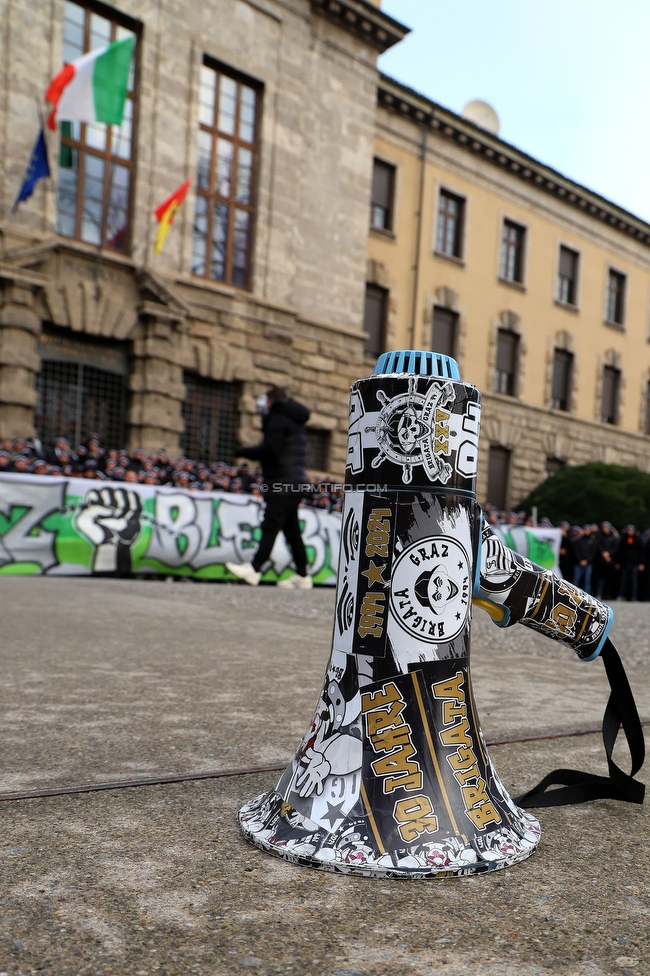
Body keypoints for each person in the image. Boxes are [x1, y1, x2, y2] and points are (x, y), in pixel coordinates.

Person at [226, 386, 312, 589]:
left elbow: (271, 450)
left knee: (271, 524)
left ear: (271, 401)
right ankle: (303, 575)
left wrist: (243, 451)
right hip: (295, 480)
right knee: (291, 531)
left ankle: (254, 569)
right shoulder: (294, 419)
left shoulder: (277, 418)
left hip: (282, 481)